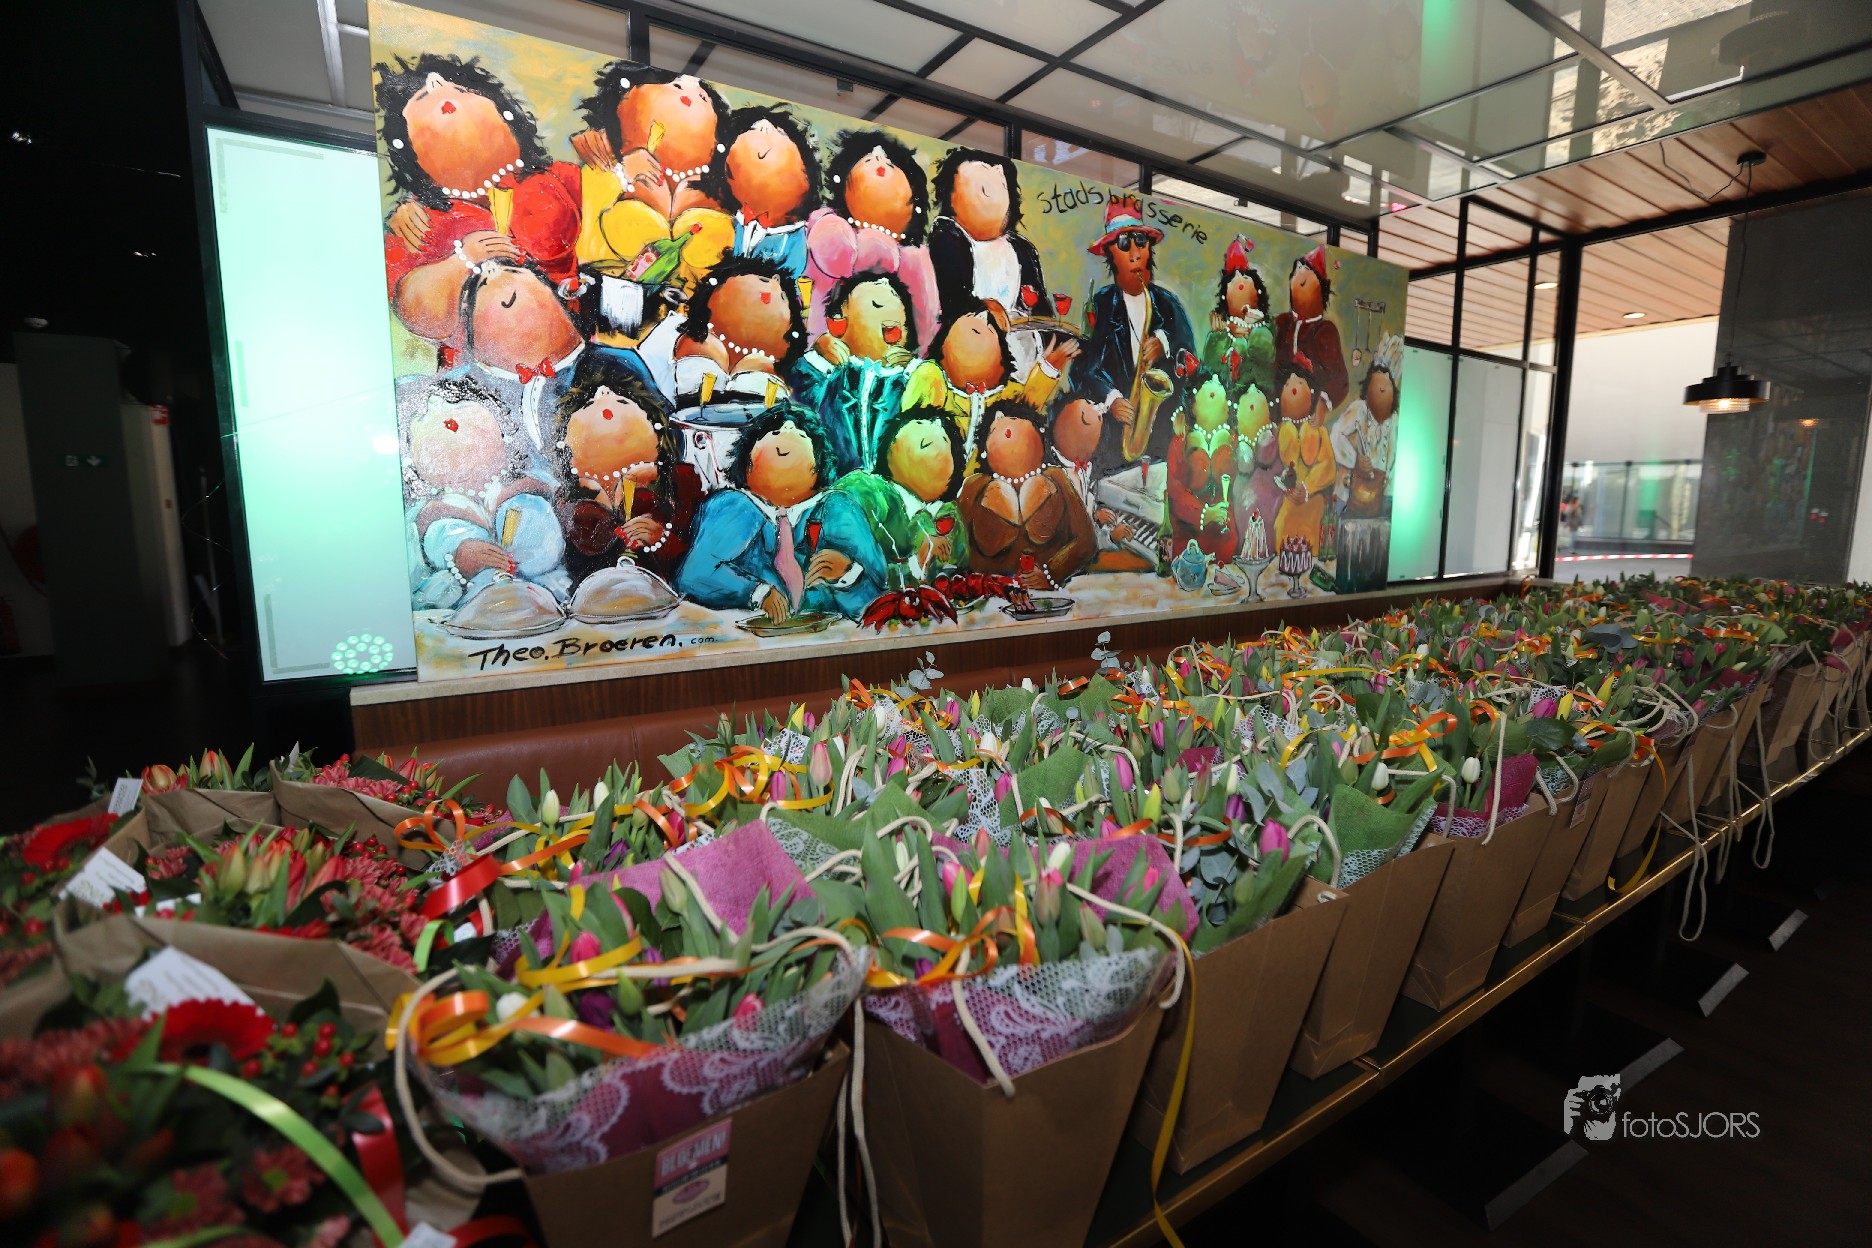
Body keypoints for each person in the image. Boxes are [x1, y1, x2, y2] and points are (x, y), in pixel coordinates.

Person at [375, 56, 586, 362]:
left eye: (461, 89)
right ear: (407, 146)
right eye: (421, 97)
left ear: (504, 115)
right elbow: (414, 313)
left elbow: (613, 222)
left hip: (584, 345)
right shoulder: (417, 220)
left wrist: (615, 166)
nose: (437, 83)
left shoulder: (556, 177)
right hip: (487, 375)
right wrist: (462, 260)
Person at [676, 403, 885, 621]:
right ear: (747, 462)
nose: (786, 432)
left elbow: (878, 599)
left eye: (800, 435)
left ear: (818, 464)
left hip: (829, 634)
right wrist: (756, 592)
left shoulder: (837, 510)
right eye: (774, 433)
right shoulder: (734, 507)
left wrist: (848, 574)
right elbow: (694, 574)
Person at [401, 376, 567, 609]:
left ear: (501, 429)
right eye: (423, 416)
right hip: (470, 618)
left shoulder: (541, 485)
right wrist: (457, 569)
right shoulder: (415, 522)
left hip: (549, 608)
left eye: (459, 403)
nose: (444, 413)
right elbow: (412, 597)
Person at [567, 63, 733, 293]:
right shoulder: (605, 167)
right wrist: (622, 173)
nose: (689, 96)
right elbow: (579, 244)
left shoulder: (725, 188)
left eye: (703, 97)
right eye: (676, 86)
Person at [552, 355, 702, 585]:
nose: (603, 393)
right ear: (569, 451)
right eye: (588, 404)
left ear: (657, 434)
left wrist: (662, 539)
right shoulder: (567, 499)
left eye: (623, 400)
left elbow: (700, 553)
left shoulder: (681, 481)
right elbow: (564, 565)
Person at [1074, 196, 1197, 473]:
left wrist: (1165, 343)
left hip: (1163, 440)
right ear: (1110, 255)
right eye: (1123, 244)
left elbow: (1190, 353)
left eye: (1141, 242)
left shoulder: (1168, 303)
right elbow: (1082, 370)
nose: (1135, 254)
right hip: (1113, 445)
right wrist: (1112, 399)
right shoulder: (1100, 305)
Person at [900, 299, 1076, 470]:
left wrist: (1047, 369)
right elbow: (911, 429)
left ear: (1001, 357)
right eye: (974, 315)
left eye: (992, 327)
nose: (983, 319)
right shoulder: (933, 377)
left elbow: (1026, 408)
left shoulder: (1004, 391)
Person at [802, 131, 939, 347]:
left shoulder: (914, 257)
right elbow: (832, 258)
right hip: (828, 347)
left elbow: (927, 319)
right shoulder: (832, 226)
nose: (878, 157)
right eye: (867, 159)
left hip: (890, 355)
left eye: (891, 163)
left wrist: (920, 355)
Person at [955, 400, 1097, 591]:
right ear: (984, 450)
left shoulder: (1057, 478)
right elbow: (957, 545)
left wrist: (1051, 574)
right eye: (993, 428)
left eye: (1014, 419)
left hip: (1049, 595)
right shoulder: (974, 486)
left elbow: (1086, 541)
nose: (1007, 428)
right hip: (988, 594)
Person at [792, 270, 918, 473]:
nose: (890, 310)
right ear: (839, 324)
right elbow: (797, 395)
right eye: (876, 305)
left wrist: (915, 371)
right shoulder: (830, 372)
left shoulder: (909, 378)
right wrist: (819, 357)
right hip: (836, 482)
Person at [833, 407, 970, 589]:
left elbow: (957, 570)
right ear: (890, 447)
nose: (934, 429)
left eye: (945, 439)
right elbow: (857, 571)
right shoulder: (867, 491)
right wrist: (914, 562)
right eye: (919, 423)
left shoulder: (948, 515)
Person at [926, 148, 1047, 324]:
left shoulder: (1022, 250)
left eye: (1000, 187)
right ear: (949, 196)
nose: (990, 196)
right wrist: (984, 308)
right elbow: (951, 299)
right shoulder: (946, 240)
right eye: (981, 188)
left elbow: (1041, 309)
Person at [708, 105, 822, 277]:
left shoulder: (793, 238)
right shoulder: (727, 223)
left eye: (780, 132)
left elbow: (791, 280)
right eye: (754, 128)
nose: (765, 129)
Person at [1164, 372, 1240, 565]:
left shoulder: (1234, 441)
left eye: (1219, 385)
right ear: (1193, 406)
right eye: (1207, 385)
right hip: (1189, 543)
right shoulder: (1181, 442)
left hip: (1225, 538)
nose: (1215, 379)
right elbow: (1176, 490)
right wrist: (1204, 514)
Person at [1200, 236, 1276, 407]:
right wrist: (1221, 335)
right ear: (1225, 297)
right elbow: (1209, 369)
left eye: (1245, 277)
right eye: (1233, 280)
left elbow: (1267, 360)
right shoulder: (1220, 334)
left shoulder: (1266, 328)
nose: (1240, 281)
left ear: (1258, 293)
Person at [1330, 337, 1401, 518]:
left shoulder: (1395, 423)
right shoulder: (1358, 410)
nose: (1381, 391)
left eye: (1386, 386)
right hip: (1349, 495)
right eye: (1376, 385)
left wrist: (1387, 486)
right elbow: (1336, 436)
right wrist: (1355, 459)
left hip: (1381, 501)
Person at [1272, 246, 1349, 411]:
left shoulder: (1325, 330)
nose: (1299, 272)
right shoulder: (1282, 323)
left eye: (1306, 269)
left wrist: (1322, 405)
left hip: (1310, 412)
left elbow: (1339, 379)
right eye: (1296, 271)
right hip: (1277, 408)